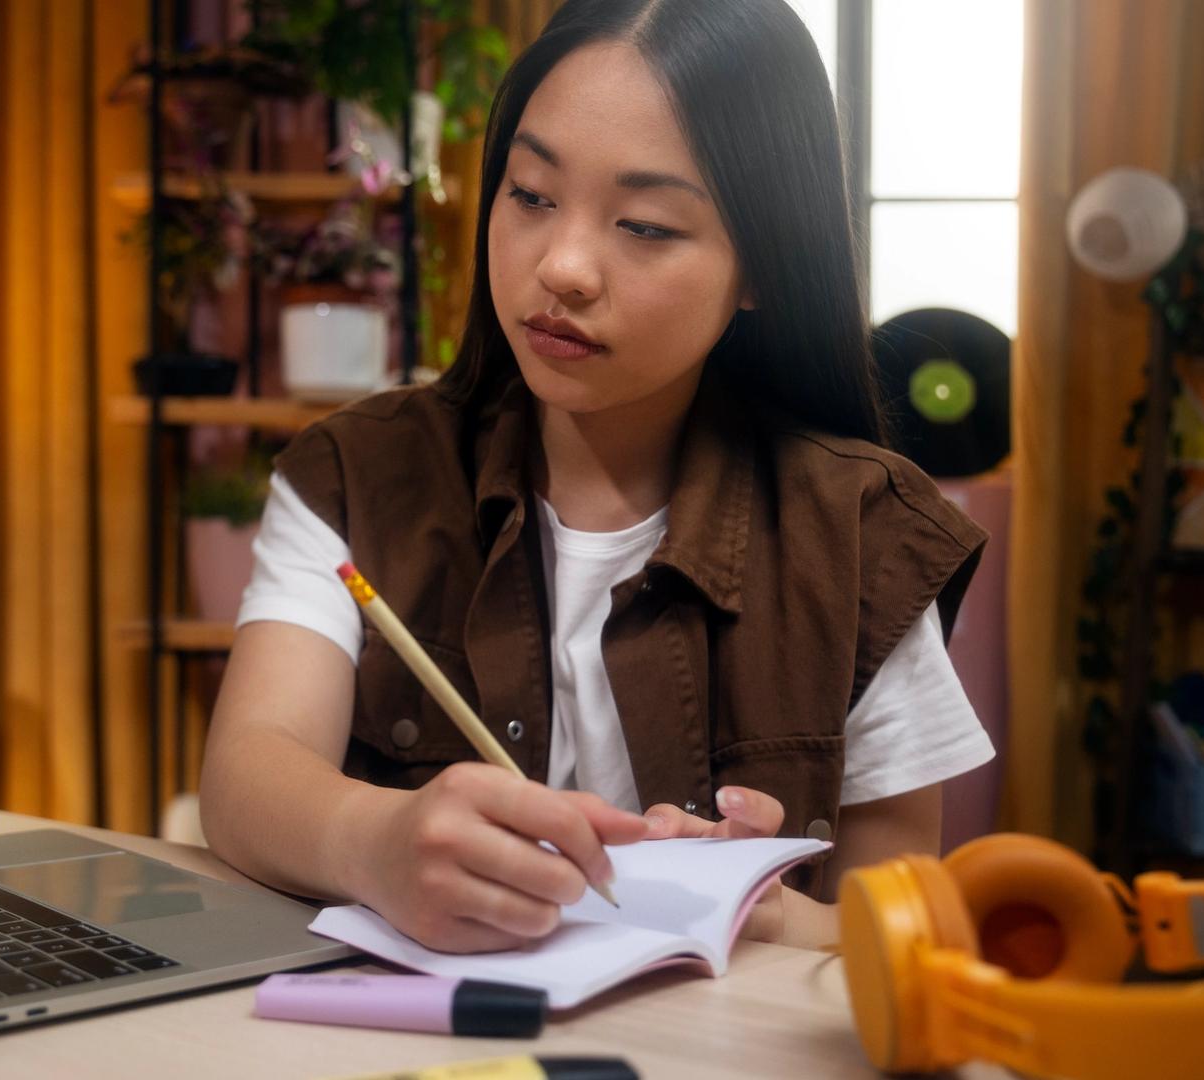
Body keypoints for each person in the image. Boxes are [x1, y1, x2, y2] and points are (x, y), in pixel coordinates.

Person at [200, 0, 994, 953]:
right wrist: (377, 841)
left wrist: (771, 913)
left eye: (647, 226)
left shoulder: (863, 535)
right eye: (531, 195)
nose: (564, 266)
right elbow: (249, 773)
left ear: (761, 267)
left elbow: (908, 927)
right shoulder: (358, 476)